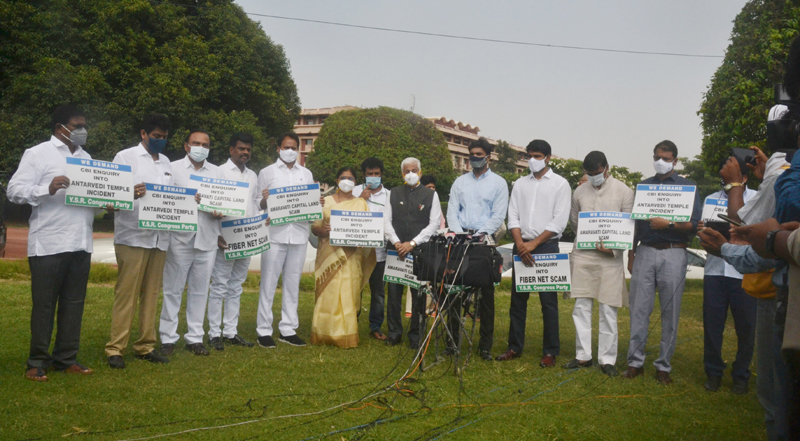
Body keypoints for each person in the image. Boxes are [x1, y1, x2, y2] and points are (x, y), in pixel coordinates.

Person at [8, 104, 96, 381]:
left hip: (80, 242)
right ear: (60, 128)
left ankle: (66, 357)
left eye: (83, 126)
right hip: (48, 242)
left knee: (74, 303)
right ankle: (37, 361)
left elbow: (92, 197)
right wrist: (46, 188)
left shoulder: (87, 157)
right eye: (77, 125)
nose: (82, 131)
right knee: (44, 305)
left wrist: (109, 204)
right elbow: (14, 191)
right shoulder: (37, 154)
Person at [623, 140, 702, 384]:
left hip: (674, 251)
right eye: (657, 156)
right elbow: (634, 224)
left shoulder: (687, 187)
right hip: (645, 251)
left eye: (666, 158)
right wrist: (631, 254)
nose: (661, 161)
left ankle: (663, 365)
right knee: (639, 310)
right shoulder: (644, 186)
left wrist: (668, 224)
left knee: (670, 311)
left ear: (675, 161)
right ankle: (635, 362)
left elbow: (695, 224)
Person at [105, 114, 174, 368]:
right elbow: (110, 200)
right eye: (156, 136)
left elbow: (172, 199)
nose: (161, 141)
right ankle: (116, 348)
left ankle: (145, 346)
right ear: (144, 133)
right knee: (127, 293)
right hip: (132, 236)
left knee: (152, 293)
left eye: (165, 137)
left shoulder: (166, 162)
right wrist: (129, 193)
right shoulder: (125, 157)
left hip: (160, 239)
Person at [496, 139, 571, 367]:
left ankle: (550, 351)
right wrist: (520, 243)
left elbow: (559, 220)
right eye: (529, 155)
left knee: (548, 302)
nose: (532, 160)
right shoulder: (520, 184)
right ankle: (514, 347)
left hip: (546, 247)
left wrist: (534, 244)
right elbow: (513, 215)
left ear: (548, 158)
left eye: (537, 156)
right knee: (518, 301)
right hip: (522, 246)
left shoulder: (560, 184)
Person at [564, 151, 634, 377]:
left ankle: (607, 359)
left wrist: (613, 248)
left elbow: (628, 227)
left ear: (606, 168)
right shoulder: (579, 191)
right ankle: (582, 355)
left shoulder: (624, 191)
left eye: (597, 173)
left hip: (610, 258)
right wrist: (588, 238)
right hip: (583, 254)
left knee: (608, 309)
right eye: (589, 174)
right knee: (581, 306)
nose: (594, 177)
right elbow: (575, 222)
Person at [158, 130, 223, 356]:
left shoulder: (217, 172)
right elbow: (165, 200)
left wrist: (220, 212)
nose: (200, 147)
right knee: (172, 289)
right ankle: (168, 337)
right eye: (196, 143)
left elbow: (226, 203)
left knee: (200, 290)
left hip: (207, 237)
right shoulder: (172, 168)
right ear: (186, 146)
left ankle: (195, 337)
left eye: (205, 144)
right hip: (179, 237)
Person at [445, 137, 509, 361]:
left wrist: (479, 235)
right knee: (452, 293)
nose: (474, 159)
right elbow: (452, 210)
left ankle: (485, 346)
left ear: (488, 157)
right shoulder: (460, 182)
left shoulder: (499, 183)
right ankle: (451, 342)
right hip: (460, 239)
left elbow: (498, 215)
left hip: (484, 242)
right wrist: (459, 233)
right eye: (472, 155)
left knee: (486, 297)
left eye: (479, 155)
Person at [700, 157, 758, 394]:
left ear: (744, 177)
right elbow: (705, 234)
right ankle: (713, 372)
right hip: (714, 270)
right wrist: (702, 231)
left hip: (743, 272)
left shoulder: (756, 198)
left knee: (746, 327)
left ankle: (741, 375)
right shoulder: (710, 199)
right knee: (713, 325)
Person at [256, 132, 314, 348]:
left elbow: (308, 202)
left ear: (298, 149)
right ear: (278, 149)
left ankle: (288, 329)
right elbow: (257, 203)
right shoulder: (267, 172)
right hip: (275, 234)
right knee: (268, 283)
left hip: (298, 233)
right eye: (286, 147)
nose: (290, 151)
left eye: (293, 147)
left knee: (292, 283)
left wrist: (313, 202)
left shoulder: (306, 174)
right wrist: (265, 200)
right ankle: (264, 330)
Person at [310, 167, 377, 347]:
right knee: (328, 292)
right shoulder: (326, 200)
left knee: (350, 291)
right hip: (328, 253)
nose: (346, 180)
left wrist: (364, 238)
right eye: (343, 177)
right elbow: (315, 227)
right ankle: (323, 333)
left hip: (351, 255)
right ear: (337, 180)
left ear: (355, 182)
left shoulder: (360, 203)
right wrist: (322, 230)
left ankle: (347, 335)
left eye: (350, 178)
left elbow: (366, 229)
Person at [206, 133, 261, 351]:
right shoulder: (219, 172)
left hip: (246, 237)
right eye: (241, 149)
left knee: (236, 286)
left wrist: (258, 227)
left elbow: (255, 204)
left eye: (248, 149)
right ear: (231, 150)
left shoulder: (252, 175)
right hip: (225, 237)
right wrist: (217, 233)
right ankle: (213, 333)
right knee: (219, 285)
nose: (245, 152)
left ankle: (230, 331)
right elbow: (212, 205)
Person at [384, 157, 443, 348]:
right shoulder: (393, 193)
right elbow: (386, 221)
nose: (410, 173)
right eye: (406, 170)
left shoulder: (431, 195)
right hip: (396, 251)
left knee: (418, 295)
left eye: (414, 170)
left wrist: (412, 243)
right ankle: (394, 333)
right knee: (393, 295)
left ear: (420, 172)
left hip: (419, 251)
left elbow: (434, 223)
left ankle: (416, 334)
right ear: (402, 174)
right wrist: (397, 242)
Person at [352, 157, 391, 340]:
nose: (373, 177)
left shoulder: (389, 196)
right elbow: (345, 212)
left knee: (378, 292)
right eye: (370, 174)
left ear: (381, 175)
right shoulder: (354, 191)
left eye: (377, 174)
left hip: (379, 251)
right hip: (356, 251)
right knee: (354, 288)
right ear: (363, 175)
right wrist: (360, 200)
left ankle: (375, 326)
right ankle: (351, 323)